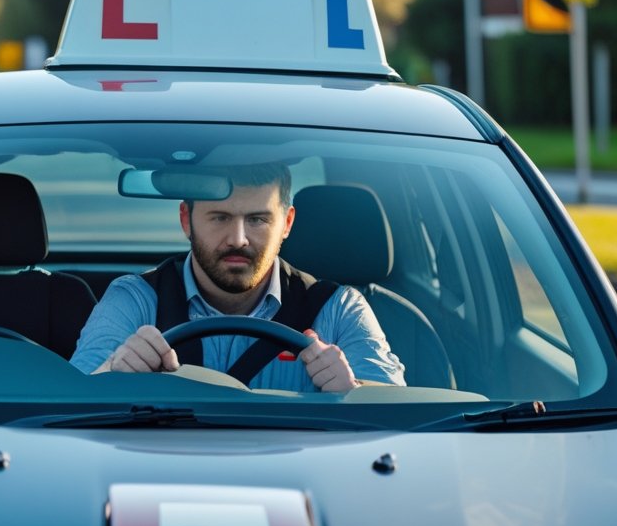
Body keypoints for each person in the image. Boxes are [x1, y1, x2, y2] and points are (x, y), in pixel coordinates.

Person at [70, 163, 404, 392]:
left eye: (257, 219)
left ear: (286, 224)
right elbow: (69, 403)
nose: (238, 239)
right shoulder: (136, 300)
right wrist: (112, 372)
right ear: (187, 219)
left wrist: (354, 393)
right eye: (220, 217)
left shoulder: (339, 310)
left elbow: (404, 425)